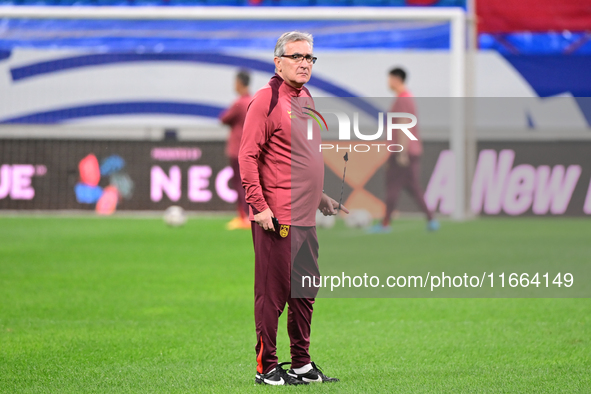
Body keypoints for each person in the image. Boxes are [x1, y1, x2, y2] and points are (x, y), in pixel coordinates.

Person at [239, 31, 347, 386]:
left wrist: (321, 196)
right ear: (278, 62)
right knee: (272, 297)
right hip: (277, 218)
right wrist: (259, 206)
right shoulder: (266, 100)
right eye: (297, 56)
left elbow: (301, 158)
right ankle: (266, 366)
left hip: (305, 217)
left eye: (310, 58)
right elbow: (248, 156)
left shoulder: (306, 98)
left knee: (305, 292)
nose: (304, 63)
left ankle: (300, 362)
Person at [370, 67, 439, 233]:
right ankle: (431, 220)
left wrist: (401, 152)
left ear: (396, 79)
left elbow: (402, 125)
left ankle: (386, 223)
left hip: (403, 151)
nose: (388, 82)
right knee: (413, 187)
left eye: (389, 78)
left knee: (392, 186)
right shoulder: (408, 98)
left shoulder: (402, 99)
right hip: (411, 150)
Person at [219, 69, 252, 230]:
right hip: (252, 148)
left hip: (238, 149)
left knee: (239, 183)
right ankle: (251, 215)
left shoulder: (240, 103)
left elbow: (224, 118)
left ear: (239, 82)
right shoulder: (254, 101)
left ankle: (243, 217)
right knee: (251, 183)